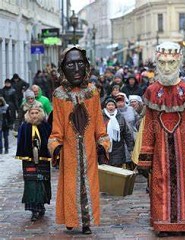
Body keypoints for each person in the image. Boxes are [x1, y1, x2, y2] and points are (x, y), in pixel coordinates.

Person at [137, 42, 185, 236]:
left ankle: (184, 224)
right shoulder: (151, 91)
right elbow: (148, 126)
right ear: (157, 62)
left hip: (183, 151)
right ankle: (162, 224)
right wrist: (145, 157)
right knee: (159, 184)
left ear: (179, 62)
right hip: (160, 152)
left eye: (171, 63)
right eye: (163, 63)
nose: (167, 68)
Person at [48, 46, 110, 234]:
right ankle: (70, 217)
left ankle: (87, 221)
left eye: (79, 63)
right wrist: (56, 146)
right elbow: (57, 125)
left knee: (89, 183)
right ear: (63, 68)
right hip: (69, 150)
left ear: (86, 66)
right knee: (70, 185)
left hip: (89, 149)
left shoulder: (92, 92)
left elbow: (99, 122)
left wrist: (102, 143)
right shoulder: (59, 95)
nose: (76, 68)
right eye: (70, 64)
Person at [15, 104, 52, 222]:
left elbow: (50, 141)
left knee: (42, 181)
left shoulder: (45, 126)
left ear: (40, 113)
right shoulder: (24, 127)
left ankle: (40, 206)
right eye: (32, 113)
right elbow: (21, 142)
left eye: (36, 113)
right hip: (29, 161)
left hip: (43, 160)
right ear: (28, 114)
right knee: (31, 183)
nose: (34, 115)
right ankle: (33, 209)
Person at [102, 97, 134, 168]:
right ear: (106, 106)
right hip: (104, 149)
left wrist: (130, 148)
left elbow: (127, 133)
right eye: (109, 105)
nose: (111, 107)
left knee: (116, 169)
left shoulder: (120, 117)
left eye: (112, 105)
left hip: (118, 149)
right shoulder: (101, 117)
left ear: (115, 106)